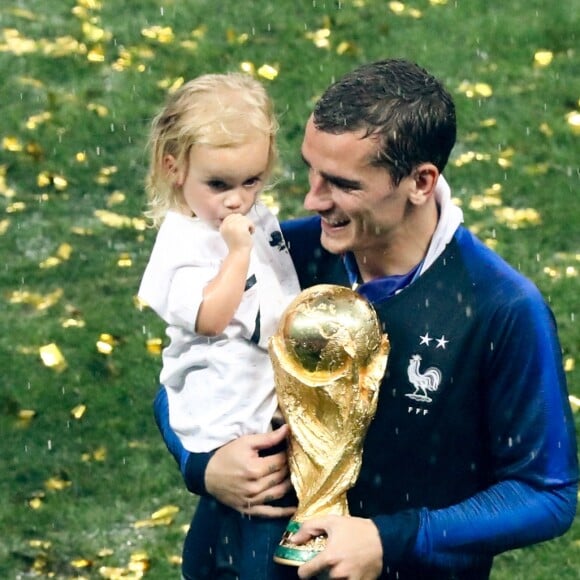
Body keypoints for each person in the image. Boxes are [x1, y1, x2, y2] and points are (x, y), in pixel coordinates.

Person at [154, 59, 579, 579]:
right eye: (311, 169)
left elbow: (545, 493)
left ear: (420, 182)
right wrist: (204, 465)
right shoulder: (284, 255)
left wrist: (390, 539)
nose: (312, 199)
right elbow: (183, 372)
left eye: (342, 184)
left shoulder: (501, 307)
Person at [138, 73, 301, 579]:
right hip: (227, 417)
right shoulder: (184, 246)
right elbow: (210, 318)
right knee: (250, 530)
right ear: (174, 168)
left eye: (251, 181)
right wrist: (236, 252)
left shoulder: (250, 215)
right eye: (219, 184)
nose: (237, 198)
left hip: (261, 395)